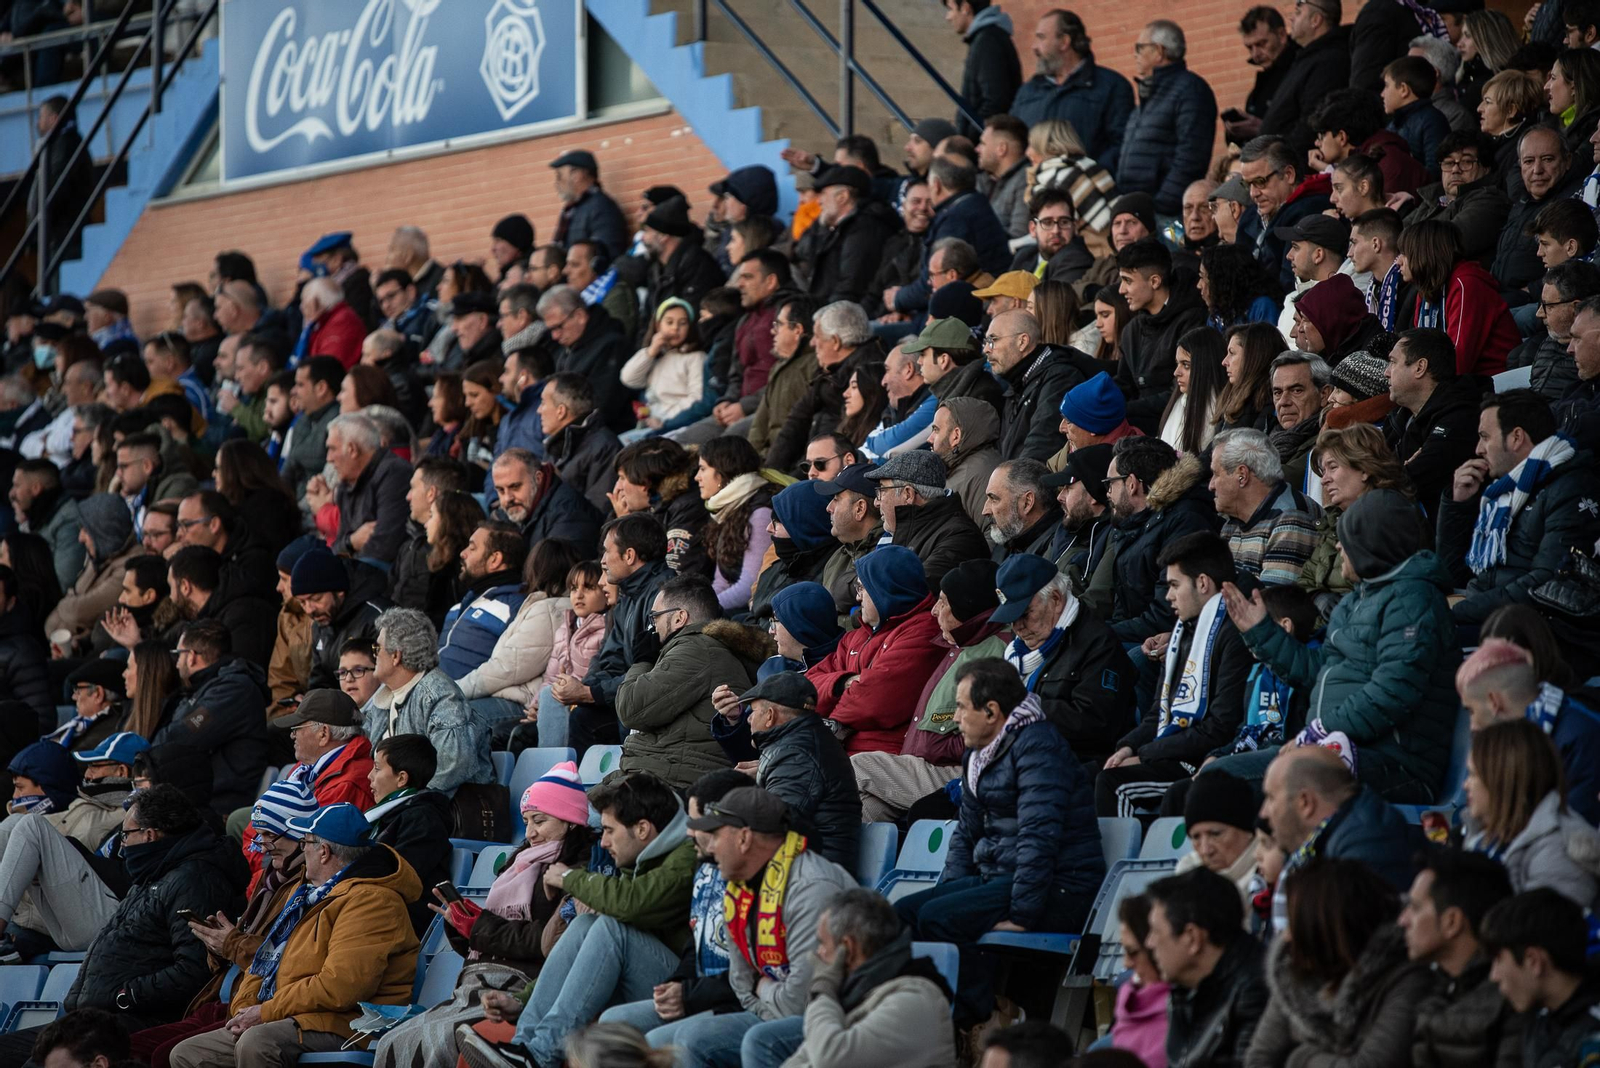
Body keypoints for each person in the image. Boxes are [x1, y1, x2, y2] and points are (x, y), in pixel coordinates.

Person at [897, 658, 1102, 1027]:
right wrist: (949, 890)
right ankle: (943, 1014)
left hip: (1060, 888)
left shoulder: (1038, 748)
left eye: (961, 707)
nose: (955, 718)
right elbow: (966, 832)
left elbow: (1039, 840)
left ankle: (980, 1019)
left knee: (939, 919)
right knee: (901, 915)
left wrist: (1023, 916)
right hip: (1001, 880)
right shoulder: (978, 753)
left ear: (991, 711)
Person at [461, 772, 698, 1068]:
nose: (605, 842)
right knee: (587, 925)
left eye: (610, 831)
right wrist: (522, 1000)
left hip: (687, 987)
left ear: (642, 829)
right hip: (652, 977)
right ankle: (525, 1046)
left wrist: (570, 878)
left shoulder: (686, 857)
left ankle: (542, 1054)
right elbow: (581, 954)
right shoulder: (641, 857)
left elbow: (633, 904)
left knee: (610, 928)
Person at [0, 784, 245, 1067]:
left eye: (125, 835)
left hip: (129, 1022)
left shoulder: (193, 879)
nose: (122, 845)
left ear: (150, 835)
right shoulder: (154, 876)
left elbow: (194, 969)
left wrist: (125, 995)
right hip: (94, 1019)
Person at [165, 803, 420, 1068]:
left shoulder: (373, 902)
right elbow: (265, 961)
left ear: (323, 852)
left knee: (257, 1043)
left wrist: (266, 1011)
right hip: (293, 1015)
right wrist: (246, 1007)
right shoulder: (306, 896)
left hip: (347, 1023)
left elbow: (342, 987)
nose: (302, 850)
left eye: (304, 843)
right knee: (188, 1054)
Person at [1097, 533, 1254, 817]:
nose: (1168, 596)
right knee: (1091, 771)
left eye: (1174, 585)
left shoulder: (1234, 636)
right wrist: (1128, 746)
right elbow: (1159, 710)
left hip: (1203, 759)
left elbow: (1221, 727)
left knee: (1113, 784)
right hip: (1171, 750)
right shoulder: (1183, 633)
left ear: (1203, 583)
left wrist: (1144, 755)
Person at [1438, 390, 1600, 636]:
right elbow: (1452, 573)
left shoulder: (1570, 488)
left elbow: (1545, 583)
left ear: (1516, 438)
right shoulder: (1501, 491)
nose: (1478, 449)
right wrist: (1458, 505)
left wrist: (1458, 612)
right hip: (1487, 614)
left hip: (1533, 634)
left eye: (1484, 437)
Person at [1245, 858, 1431, 1067]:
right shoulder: (1292, 971)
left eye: (1296, 924)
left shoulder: (1406, 977)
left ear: (1326, 928)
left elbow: (1372, 1064)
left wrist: (1300, 1058)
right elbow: (1258, 1059)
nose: (1287, 937)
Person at [615, 577, 765, 790]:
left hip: (675, 780)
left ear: (679, 618)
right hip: (669, 771)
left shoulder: (694, 650)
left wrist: (641, 661)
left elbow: (630, 709)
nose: (652, 627)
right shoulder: (699, 647)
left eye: (655, 618)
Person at [780, 888, 956, 1068]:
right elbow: (802, 1059)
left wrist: (822, 990)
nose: (818, 953)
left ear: (848, 948)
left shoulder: (914, 1001)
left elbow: (831, 1058)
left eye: (823, 943)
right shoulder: (855, 995)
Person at [719, 671, 862, 869]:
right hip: (807, 865)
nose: (749, 720)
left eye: (752, 712)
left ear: (770, 716)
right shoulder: (801, 743)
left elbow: (774, 825)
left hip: (812, 873)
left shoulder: (797, 754)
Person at [1399, 848, 1522, 1068]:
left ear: (1452, 922)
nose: (1403, 920)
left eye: (1415, 908)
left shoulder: (1513, 999)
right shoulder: (1433, 989)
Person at [1457, 638, 1600, 824]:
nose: (1472, 724)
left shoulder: (1580, 739)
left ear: (1494, 702)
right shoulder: (1513, 739)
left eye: (1471, 711)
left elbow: (1576, 831)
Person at [1463, 718, 1600, 904]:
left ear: (1501, 779)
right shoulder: (1481, 834)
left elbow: (1538, 931)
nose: (1465, 785)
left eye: (1472, 775)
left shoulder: (1558, 855)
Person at [1143, 866, 1269, 1068]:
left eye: (1156, 932)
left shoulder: (1257, 992)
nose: (1149, 943)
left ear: (1192, 937)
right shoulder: (1185, 991)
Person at [362, 608, 492, 796]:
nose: (374, 655)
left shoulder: (439, 694)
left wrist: (408, 803)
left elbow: (454, 765)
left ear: (396, 656)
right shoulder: (385, 698)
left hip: (444, 814)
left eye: (377, 648)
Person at [1106, 438, 1218, 646]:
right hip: (1140, 634)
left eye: (1110, 483)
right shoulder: (1134, 525)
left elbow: (1166, 614)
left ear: (1131, 484)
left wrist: (1100, 634)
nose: (1107, 493)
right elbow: (1122, 610)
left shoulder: (1185, 520)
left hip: (1166, 641)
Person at [154, 619, 270, 814]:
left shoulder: (232, 690)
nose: (176, 664)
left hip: (223, 804)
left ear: (191, 657)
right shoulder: (210, 686)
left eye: (178, 655)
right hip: (206, 798)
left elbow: (179, 738)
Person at [1480, 888, 1600, 1068]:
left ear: (1533, 961)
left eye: (1498, 959)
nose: (1494, 976)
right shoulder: (1538, 1023)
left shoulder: (1593, 1033)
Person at [1383, 328, 1486, 526]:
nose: (1386, 372)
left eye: (1393, 362)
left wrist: (1395, 472)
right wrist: (1397, 471)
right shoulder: (1399, 418)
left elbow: (1410, 480)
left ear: (1420, 367)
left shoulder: (1461, 417)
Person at [1118, 21, 1219, 217]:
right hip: (1139, 213)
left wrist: (1162, 207)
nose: (1135, 54)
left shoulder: (1190, 90)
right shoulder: (1152, 94)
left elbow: (1191, 156)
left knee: (1172, 245)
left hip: (1167, 217)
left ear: (1159, 51)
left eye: (1140, 47)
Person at [1011, 10, 1134, 170]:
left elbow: (1122, 144)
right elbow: (1013, 140)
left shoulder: (1111, 86)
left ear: (1064, 41)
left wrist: (1089, 176)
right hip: (1033, 190)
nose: (1034, 47)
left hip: (1085, 190)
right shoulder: (1028, 91)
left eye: (1041, 37)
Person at [1397, 220, 1517, 377]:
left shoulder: (1466, 284)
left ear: (1424, 252)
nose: (1398, 261)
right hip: (1451, 382)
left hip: (1491, 384)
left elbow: (1457, 359)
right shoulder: (1427, 287)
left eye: (1404, 254)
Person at [364, 733, 453, 936]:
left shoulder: (423, 819)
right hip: (377, 908)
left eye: (377, 768)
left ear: (402, 778)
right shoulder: (389, 815)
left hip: (401, 921)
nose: (369, 776)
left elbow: (398, 876)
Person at [1115, 240, 1209, 433]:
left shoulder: (1192, 320)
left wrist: (1123, 410)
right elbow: (1124, 384)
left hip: (1178, 426)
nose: (1121, 290)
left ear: (1155, 281)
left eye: (1128, 280)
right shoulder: (1131, 330)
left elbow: (1179, 391)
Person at [1210, 427, 1321, 586]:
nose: (1211, 485)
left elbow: (1274, 604)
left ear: (1242, 475)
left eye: (1216, 474)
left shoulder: (1291, 520)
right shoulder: (1232, 524)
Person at [864, 451, 987, 588]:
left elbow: (904, 592)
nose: (876, 502)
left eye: (882, 491)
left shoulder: (960, 537)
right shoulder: (901, 531)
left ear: (908, 494)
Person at [538, 373, 620, 520]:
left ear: (561, 411)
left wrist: (559, 484)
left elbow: (598, 513)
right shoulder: (554, 445)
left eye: (543, 403)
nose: (539, 410)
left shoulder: (605, 447)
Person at [982, 459, 1059, 561]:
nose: (985, 511)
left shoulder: (1054, 550)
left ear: (1027, 502)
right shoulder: (1009, 539)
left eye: (994, 499)